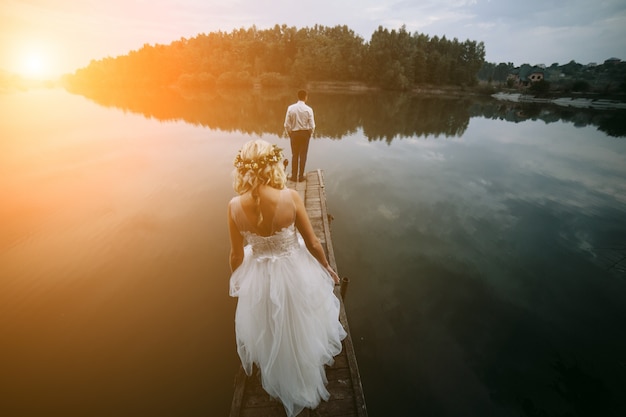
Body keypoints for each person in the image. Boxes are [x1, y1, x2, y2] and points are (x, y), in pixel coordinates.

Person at [227, 139, 346, 417]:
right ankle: (303, 368)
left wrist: (237, 278)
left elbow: (235, 255)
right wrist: (326, 267)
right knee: (301, 320)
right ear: (273, 165)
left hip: (260, 274)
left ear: (243, 169)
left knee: (269, 325)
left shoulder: (233, 206)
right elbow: (314, 242)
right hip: (294, 271)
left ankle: (280, 368)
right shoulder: (291, 197)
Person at [284, 89, 315, 182]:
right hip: (305, 134)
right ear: (305, 97)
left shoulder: (290, 108)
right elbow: (312, 125)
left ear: (298, 97)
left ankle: (293, 176)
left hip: (294, 134)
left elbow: (286, 124)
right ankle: (301, 177)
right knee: (303, 155)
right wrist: (310, 134)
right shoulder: (309, 109)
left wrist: (289, 133)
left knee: (294, 155)